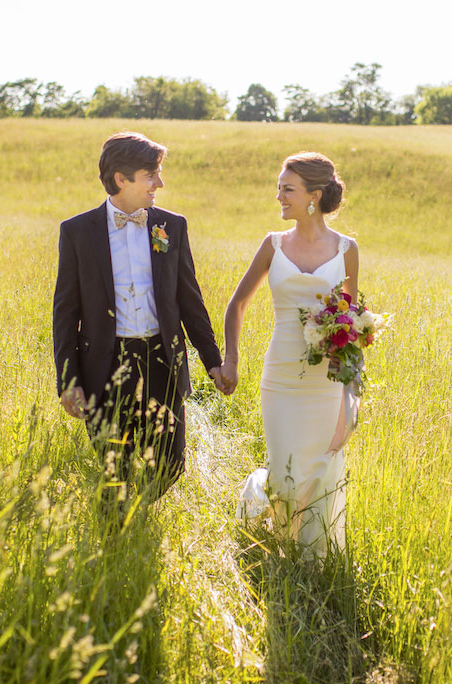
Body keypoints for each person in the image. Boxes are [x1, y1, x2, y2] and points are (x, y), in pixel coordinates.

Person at [53, 131, 228, 507]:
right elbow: (65, 314)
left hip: (162, 359)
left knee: (170, 462)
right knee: (114, 466)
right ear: (121, 178)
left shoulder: (171, 226)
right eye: (152, 174)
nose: (159, 183)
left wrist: (212, 360)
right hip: (104, 364)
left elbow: (190, 300)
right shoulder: (77, 232)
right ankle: (118, 533)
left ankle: (139, 510)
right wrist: (68, 382)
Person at [221, 152, 358, 557]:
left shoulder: (347, 249)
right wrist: (232, 360)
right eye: (279, 187)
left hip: (326, 383)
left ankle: (313, 562)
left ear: (314, 196)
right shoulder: (273, 245)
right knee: (284, 474)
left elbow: (352, 323)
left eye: (287, 189)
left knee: (319, 470)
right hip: (279, 377)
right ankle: (278, 546)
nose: (278, 195)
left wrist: (352, 392)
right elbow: (237, 305)